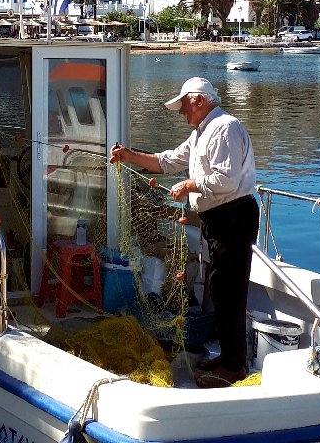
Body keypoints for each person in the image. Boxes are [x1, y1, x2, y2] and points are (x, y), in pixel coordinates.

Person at [110, 76, 258, 388]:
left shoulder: (225, 128)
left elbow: (227, 181)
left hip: (234, 217)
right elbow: (168, 161)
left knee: (229, 293)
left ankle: (234, 366)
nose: (180, 112)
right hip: (221, 219)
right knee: (219, 290)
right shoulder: (201, 132)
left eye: (183, 105)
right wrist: (127, 154)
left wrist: (190, 185)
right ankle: (230, 357)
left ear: (199, 101)